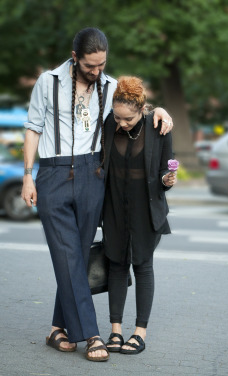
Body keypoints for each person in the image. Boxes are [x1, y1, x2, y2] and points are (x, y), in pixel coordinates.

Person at [21, 27, 173, 362]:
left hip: (93, 176)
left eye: (102, 64)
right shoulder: (48, 82)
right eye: (91, 65)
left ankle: (57, 329)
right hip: (53, 173)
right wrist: (28, 177)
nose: (97, 71)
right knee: (67, 254)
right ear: (75, 58)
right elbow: (33, 129)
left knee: (76, 253)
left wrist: (159, 111)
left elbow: (134, 110)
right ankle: (91, 334)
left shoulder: (108, 85)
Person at [103, 76, 177, 355]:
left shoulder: (159, 127)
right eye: (117, 117)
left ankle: (139, 332)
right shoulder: (110, 123)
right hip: (114, 206)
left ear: (143, 109)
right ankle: (115, 330)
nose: (121, 123)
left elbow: (163, 171)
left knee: (143, 265)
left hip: (146, 207)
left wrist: (168, 179)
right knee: (116, 264)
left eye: (128, 119)